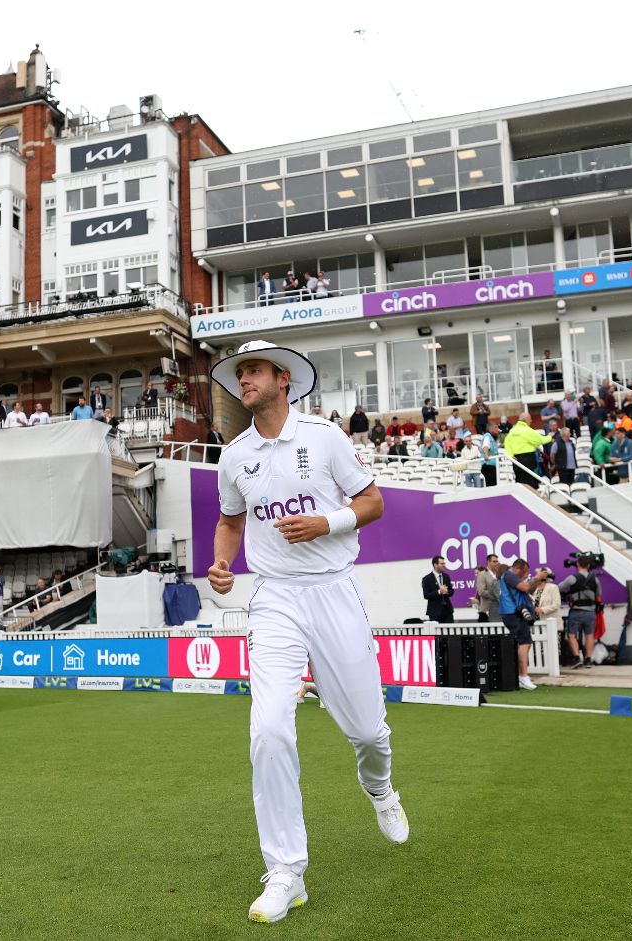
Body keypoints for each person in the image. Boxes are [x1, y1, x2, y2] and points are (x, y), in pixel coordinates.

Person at [206, 338, 404, 924]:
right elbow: (228, 520)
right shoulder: (234, 455)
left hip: (334, 589)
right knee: (268, 730)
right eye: (240, 373)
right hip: (274, 600)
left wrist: (327, 521)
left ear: (284, 380)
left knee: (368, 733)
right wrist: (222, 565)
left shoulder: (324, 436)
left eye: (255, 371)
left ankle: (381, 790)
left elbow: (373, 502)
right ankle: (286, 871)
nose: (244, 380)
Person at [499, 559, 546, 690]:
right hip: (513, 613)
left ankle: (521, 675)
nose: (527, 574)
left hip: (515, 614)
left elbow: (527, 591)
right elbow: (525, 587)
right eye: (525, 571)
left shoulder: (511, 577)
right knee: (525, 642)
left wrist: (538, 581)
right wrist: (537, 577)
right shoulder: (509, 574)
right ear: (518, 568)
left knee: (524, 643)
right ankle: (523, 676)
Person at [555, 554, 600, 667]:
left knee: (571, 635)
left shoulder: (572, 578)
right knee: (589, 635)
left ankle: (576, 658)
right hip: (590, 612)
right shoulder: (595, 579)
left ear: (578, 564)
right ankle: (588, 660)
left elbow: (559, 588)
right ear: (589, 565)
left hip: (576, 611)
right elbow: (599, 594)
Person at [503, 413, 552, 488]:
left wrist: (511, 455)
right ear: (526, 420)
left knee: (520, 483)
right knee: (530, 484)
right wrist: (550, 436)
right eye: (530, 419)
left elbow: (507, 443)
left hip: (516, 460)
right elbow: (540, 440)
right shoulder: (527, 430)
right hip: (527, 460)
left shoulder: (512, 430)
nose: (531, 421)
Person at [421, 556, 454, 623]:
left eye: (444, 563)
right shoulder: (427, 579)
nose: (444, 565)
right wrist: (439, 591)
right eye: (442, 564)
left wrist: (447, 591)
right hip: (434, 612)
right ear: (435, 565)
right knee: (437, 633)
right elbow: (426, 595)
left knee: (450, 632)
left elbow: (451, 591)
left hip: (447, 611)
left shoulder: (446, 576)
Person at [473, 554, 501, 622]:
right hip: (486, 611)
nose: (496, 563)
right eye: (494, 561)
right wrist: (497, 595)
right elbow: (481, 592)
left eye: (497, 561)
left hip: (499, 610)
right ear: (488, 562)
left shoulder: (499, 574)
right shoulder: (482, 574)